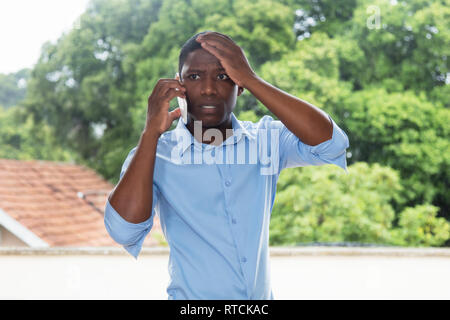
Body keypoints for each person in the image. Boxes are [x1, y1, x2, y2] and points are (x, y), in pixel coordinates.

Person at [104, 31, 350, 300]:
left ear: (240, 85)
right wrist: (150, 133)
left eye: (223, 76)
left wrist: (252, 78)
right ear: (178, 84)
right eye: (194, 76)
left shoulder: (266, 141)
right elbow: (123, 231)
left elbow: (332, 144)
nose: (209, 88)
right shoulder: (153, 154)